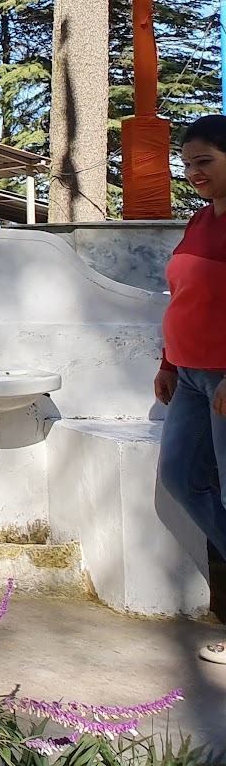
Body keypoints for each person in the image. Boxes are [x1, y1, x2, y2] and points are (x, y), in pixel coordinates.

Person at [156, 114, 226, 663]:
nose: (194, 173)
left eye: (205, 161)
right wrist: (167, 363)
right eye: (187, 164)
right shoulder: (200, 220)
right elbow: (184, 298)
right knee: (180, 478)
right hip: (189, 379)